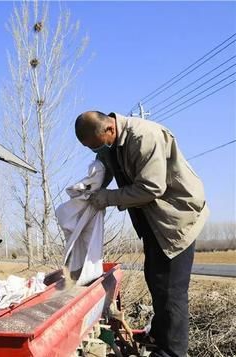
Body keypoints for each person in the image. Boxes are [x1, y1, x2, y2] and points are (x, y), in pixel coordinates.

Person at [74, 111, 209, 357]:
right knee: (156, 280)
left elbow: (152, 188)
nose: (97, 151)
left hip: (175, 220)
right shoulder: (112, 142)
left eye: (96, 145)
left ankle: (173, 352)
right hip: (154, 221)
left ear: (109, 130)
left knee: (171, 289)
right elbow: (106, 163)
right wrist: (90, 187)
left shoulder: (144, 137)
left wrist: (106, 198)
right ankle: (159, 334)